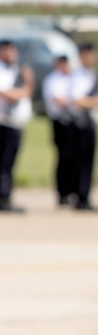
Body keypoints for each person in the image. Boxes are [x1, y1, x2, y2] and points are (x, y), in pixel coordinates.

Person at [0, 40, 33, 213]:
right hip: (1, 122)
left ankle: (7, 195)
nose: (12, 55)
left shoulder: (14, 70)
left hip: (15, 122)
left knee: (10, 162)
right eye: (8, 51)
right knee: (2, 161)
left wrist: (27, 83)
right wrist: (23, 91)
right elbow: (3, 93)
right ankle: (2, 197)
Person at [67, 44, 98, 211]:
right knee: (80, 161)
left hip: (89, 121)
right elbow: (77, 100)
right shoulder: (77, 75)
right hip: (79, 123)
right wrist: (94, 102)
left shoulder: (91, 75)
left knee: (88, 161)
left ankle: (84, 194)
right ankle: (79, 195)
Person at [42, 55, 75, 206]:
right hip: (60, 122)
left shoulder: (71, 79)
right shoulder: (53, 80)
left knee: (75, 158)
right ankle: (63, 193)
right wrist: (77, 102)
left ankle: (73, 191)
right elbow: (59, 100)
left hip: (73, 122)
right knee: (64, 157)